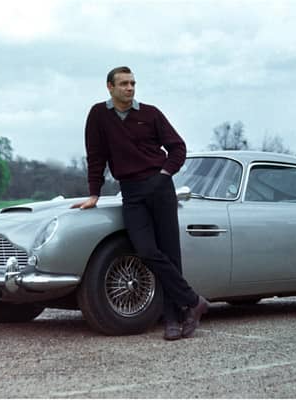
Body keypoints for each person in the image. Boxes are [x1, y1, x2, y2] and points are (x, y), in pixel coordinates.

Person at [71, 66, 209, 340]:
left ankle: (172, 319)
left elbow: (178, 147)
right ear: (109, 87)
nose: (130, 88)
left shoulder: (150, 113)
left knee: (170, 253)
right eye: (123, 83)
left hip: (159, 188)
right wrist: (94, 193)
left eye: (133, 83)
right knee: (146, 250)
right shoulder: (99, 115)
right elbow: (96, 155)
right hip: (131, 191)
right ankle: (194, 302)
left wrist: (164, 174)